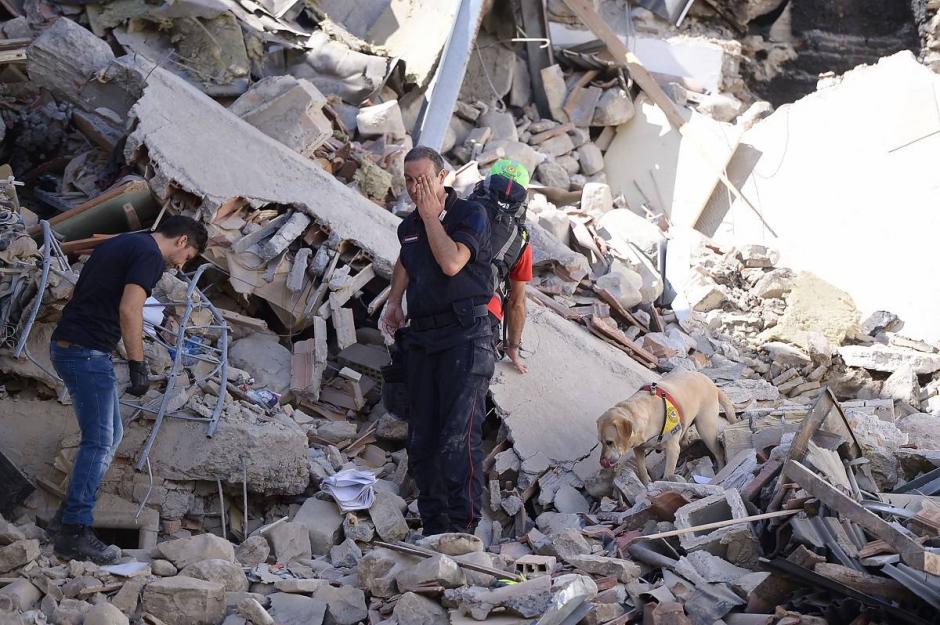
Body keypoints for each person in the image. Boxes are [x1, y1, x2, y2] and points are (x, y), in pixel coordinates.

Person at [50, 215, 208, 563]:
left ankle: (64, 519)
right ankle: (75, 531)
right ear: (182, 241)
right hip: (86, 352)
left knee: (111, 435)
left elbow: (82, 291)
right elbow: (130, 308)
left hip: (73, 345)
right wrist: (137, 363)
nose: (183, 265)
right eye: (189, 255)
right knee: (100, 440)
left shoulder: (122, 242)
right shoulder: (150, 255)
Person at [381, 146, 495, 536]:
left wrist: (432, 218)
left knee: (457, 437)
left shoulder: (470, 214)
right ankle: (433, 530)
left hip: (466, 337)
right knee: (422, 439)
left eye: (424, 179)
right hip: (423, 339)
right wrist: (395, 300)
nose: (416, 188)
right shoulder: (410, 226)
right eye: (410, 180)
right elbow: (406, 257)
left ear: (442, 177)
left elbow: (451, 262)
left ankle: (463, 531)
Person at [472, 159, 533, 375]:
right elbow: (516, 302)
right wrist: (512, 347)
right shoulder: (521, 241)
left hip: (436, 297)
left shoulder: (458, 208)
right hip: (482, 317)